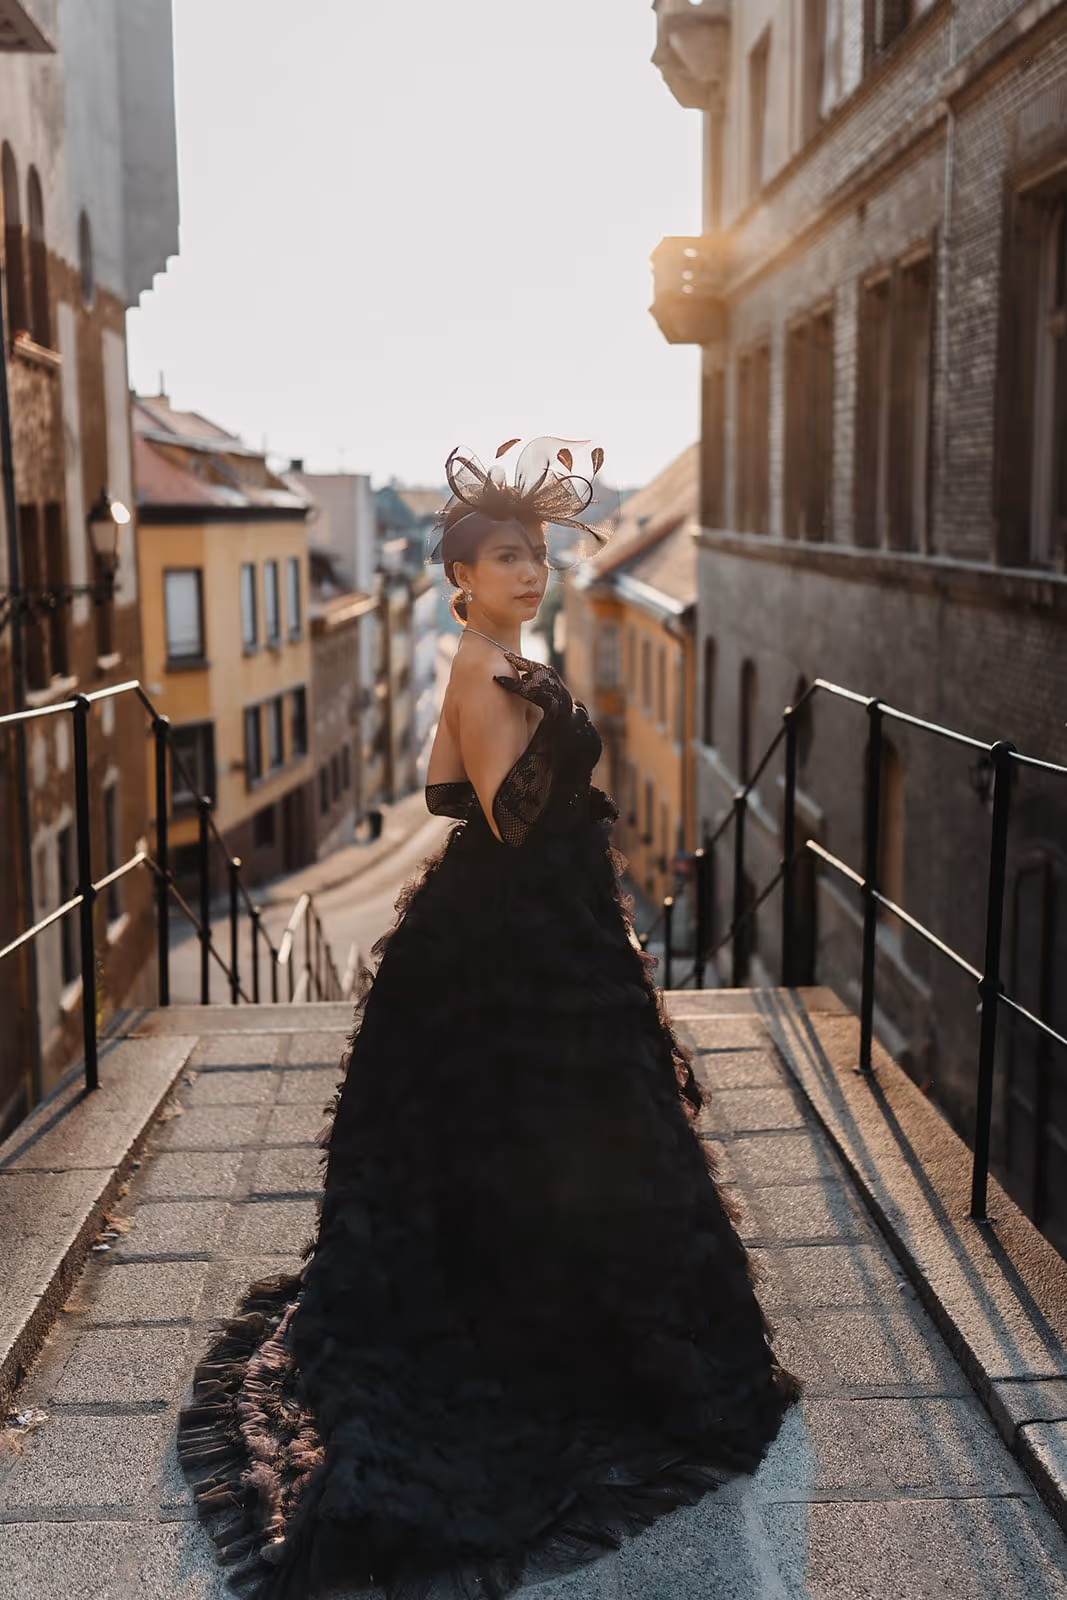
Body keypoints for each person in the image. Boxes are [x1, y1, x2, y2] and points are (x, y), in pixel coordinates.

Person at [178, 437, 801, 1600]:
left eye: (536, 555)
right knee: (567, 1141)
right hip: (520, 946)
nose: (529, 571)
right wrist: (550, 730)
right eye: (504, 558)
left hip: (514, 925)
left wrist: (529, 711)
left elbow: (435, 788)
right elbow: (514, 822)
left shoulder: (489, 663)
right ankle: (575, 1343)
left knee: (532, 1152)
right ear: (459, 578)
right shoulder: (485, 665)